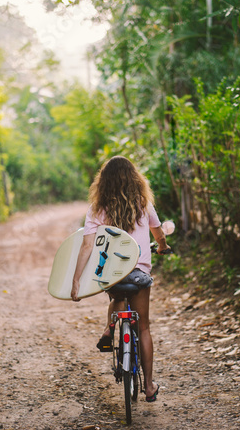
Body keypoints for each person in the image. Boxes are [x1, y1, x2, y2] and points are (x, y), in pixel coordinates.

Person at [71, 156, 170, 403]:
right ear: (134, 178)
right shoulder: (143, 204)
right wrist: (163, 246)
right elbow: (158, 232)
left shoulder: (97, 209)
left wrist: (76, 281)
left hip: (113, 275)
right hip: (139, 274)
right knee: (143, 327)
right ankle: (148, 386)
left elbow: (86, 246)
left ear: (103, 182)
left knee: (116, 294)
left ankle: (110, 328)